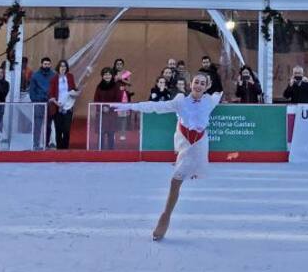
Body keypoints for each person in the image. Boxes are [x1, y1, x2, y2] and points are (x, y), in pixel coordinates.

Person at [112, 71, 224, 241]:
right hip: (186, 144)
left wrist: (219, 91)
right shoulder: (180, 102)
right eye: (196, 82)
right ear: (191, 84)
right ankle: (165, 216)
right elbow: (156, 107)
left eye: (203, 83)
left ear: (207, 86)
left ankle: (169, 209)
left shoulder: (210, 101)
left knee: (183, 176)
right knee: (175, 182)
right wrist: (131, 106)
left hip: (199, 146)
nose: (199, 85)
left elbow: (217, 95)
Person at [47, 59, 79, 149]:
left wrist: (75, 92)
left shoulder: (70, 76)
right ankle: (59, 150)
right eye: (61, 66)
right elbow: (51, 94)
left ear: (66, 67)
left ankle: (65, 149)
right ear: (58, 67)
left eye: (64, 66)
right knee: (58, 130)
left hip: (68, 106)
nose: (63, 68)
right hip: (58, 107)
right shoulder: (54, 79)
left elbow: (73, 88)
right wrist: (56, 103)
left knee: (66, 129)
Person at [94, 67, 123, 149]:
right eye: (105, 74)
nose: (107, 76)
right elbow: (96, 100)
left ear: (112, 75)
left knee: (111, 134)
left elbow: (118, 99)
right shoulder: (99, 86)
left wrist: (109, 108)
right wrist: (102, 108)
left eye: (109, 74)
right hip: (101, 115)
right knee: (101, 134)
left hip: (112, 115)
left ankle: (111, 152)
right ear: (102, 76)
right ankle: (100, 152)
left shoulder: (116, 86)